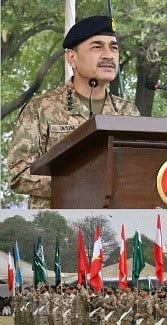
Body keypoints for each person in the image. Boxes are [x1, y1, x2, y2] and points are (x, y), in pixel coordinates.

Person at [6, 16, 140, 208]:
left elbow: (137, 172)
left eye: (114, 47)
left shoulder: (128, 112)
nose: (109, 55)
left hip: (115, 224)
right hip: (56, 225)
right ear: (72, 57)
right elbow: (18, 174)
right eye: (97, 47)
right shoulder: (41, 108)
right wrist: (78, 184)